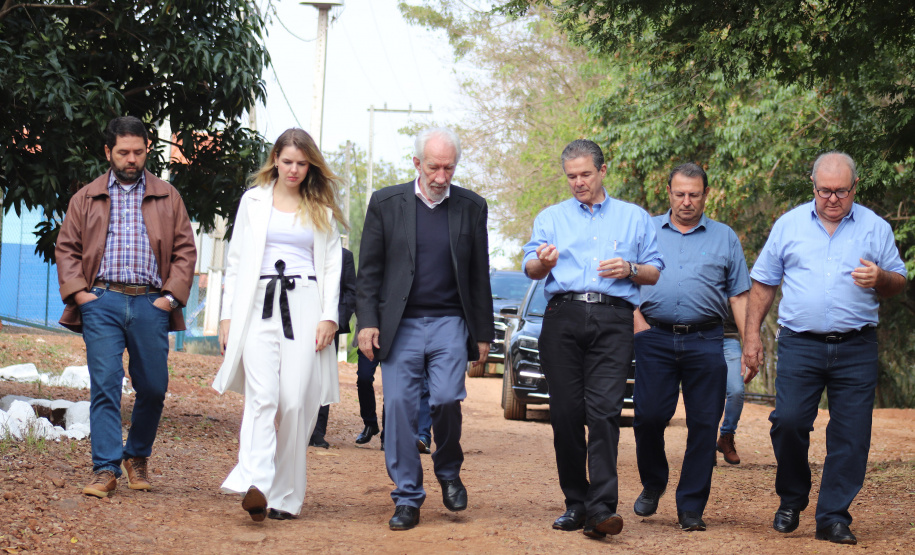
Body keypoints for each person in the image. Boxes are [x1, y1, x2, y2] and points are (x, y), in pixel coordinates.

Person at [743, 151, 906, 545]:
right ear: (813, 187)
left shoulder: (875, 227)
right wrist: (751, 338)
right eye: (824, 191)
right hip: (801, 344)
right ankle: (792, 497)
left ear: (855, 189)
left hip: (857, 346)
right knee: (789, 423)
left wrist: (880, 277)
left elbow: (898, 282)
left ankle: (833, 516)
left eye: (841, 192)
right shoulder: (789, 225)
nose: (832, 199)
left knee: (851, 434)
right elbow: (764, 284)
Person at [522, 139, 663, 540]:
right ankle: (576, 503)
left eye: (585, 174)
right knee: (566, 415)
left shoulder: (634, 218)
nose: (579, 183)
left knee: (603, 414)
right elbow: (531, 266)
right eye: (571, 177)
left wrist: (630, 267)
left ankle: (602, 510)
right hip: (562, 316)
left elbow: (654, 270)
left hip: (614, 317)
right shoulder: (550, 218)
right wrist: (542, 263)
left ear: (603, 171)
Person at [356, 127, 494, 531]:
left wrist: (482, 332)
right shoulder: (386, 202)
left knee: (448, 398)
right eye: (433, 166)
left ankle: (448, 469)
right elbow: (370, 272)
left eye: (449, 167)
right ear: (417, 163)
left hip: (451, 322)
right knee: (398, 406)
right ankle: (407, 497)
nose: (441, 176)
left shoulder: (472, 206)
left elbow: (479, 274)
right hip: (400, 325)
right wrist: (366, 322)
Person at [55, 116, 197, 497]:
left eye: (138, 151)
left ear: (148, 150)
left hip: (152, 302)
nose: (131, 159)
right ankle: (105, 468)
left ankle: (136, 456)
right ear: (108, 152)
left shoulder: (169, 196)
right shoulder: (85, 197)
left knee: (153, 387)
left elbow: (185, 250)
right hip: (102, 300)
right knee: (105, 384)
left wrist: (169, 298)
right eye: (123, 152)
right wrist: (81, 294)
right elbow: (66, 248)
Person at [212, 128, 345, 521]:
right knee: (262, 395)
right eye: (287, 161)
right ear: (275, 160)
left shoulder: (320, 207)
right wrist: (226, 314)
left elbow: (332, 264)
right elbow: (234, 261)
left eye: (302, 163)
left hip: (305, 304)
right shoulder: (253, 201)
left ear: (311, 166)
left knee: (293, 402)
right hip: (257, 305)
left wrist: (329, 316)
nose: (294, 169)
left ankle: (286, 495)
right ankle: (256, 482)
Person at [630, 163, 750, 531]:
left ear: (705, 195)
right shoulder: (644, 229)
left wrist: (751, 342)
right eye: (679, 194)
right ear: (668, 192)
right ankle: (654, 482)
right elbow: (622, 279)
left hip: (707, 339)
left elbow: (739, 294)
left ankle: (691, 506)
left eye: (694, 195)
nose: (686, 202)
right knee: (648, 417)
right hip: (654, 338)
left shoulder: (725, 237)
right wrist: (639, 327)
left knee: (703, 424)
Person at [309, 247, 357, 449]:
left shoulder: (344, 255)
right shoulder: (304, 250)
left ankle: (318, 432)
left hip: (329, 327)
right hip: (298, 324)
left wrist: (335, 323)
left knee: (323, 377)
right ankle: (298, 428)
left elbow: (350, 292)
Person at [353, 348, 433, 454]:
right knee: (364, 378)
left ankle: (389, 436)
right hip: (371, 338)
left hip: (397, 338)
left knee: (393, 385)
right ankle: (370, 423)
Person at [717, 307, 744, 465]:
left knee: (736, 391)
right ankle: (704, 444)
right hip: (700, 336)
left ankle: (726, 436)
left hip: (730, 337)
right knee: (707, 392)